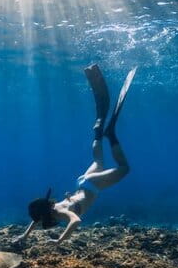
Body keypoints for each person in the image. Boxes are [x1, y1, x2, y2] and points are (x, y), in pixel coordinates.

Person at [15, 64, 137, 245]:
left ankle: (110, 135)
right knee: (98, 160)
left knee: (124, 168)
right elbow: (36, 220)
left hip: (92, 185)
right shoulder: (51, 207)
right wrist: (24, 236)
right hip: (82, 182)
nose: (40, 223)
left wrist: (59, 241)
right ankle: (98, 132)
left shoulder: (59, 212)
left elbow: (76, 221)